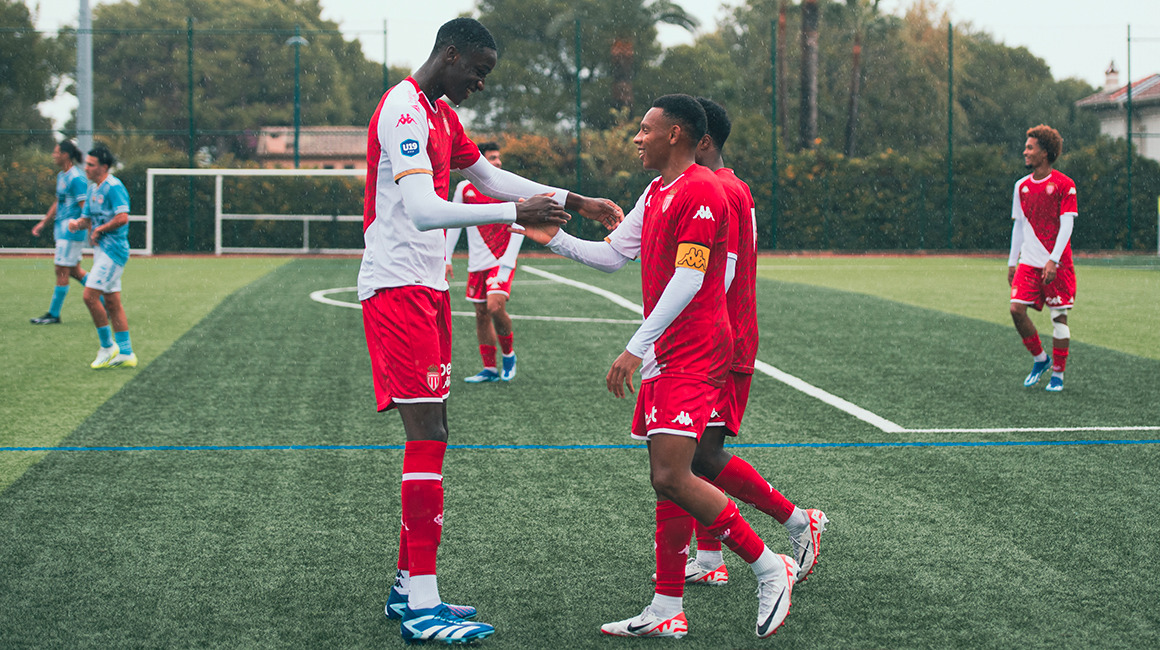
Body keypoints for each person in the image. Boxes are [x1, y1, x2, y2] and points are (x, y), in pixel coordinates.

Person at [359, 17, 621, 645]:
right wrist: (514, 213)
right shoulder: (404, 109)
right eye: (477, 71)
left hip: (425, 288)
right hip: (397, 287)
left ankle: (408, 587)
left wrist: (573, 200)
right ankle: (422, 605)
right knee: (428, 437)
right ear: (450, 55)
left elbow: (490, 177)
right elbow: (423, 211)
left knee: (435, 434)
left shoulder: (441, 115)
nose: (480, 83)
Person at [520, 94, 798, 640]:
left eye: (645, 129)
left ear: (675, 134)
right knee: (669, 478)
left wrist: (636, 345)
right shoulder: (656, 191)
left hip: (695, 349)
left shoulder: (703, 191)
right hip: (668, 349)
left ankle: (770, 568)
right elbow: (611, 256)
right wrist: (557, 241)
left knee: (672, 474)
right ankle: (667, 605)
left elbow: (691, 278)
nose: (636, 138)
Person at [674, 97, 828, 589]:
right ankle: (709, 557)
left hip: (723, 339)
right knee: (691, 453)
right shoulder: (728, 184)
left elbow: (723, 271)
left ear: (702, 141)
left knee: (701, 455)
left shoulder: (721, 189)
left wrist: (694, 327)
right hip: (720, 334)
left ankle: (797, 521)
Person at [445, 142, 524, 383]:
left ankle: (508, 355)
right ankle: (489, 369)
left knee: (495, 307)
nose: (497, 162)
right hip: (476, 262)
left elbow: (521, 223)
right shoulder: (464, 189)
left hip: (500, 260)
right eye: (492, 158)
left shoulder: (508, 187)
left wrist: (508, 262)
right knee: (481, 313)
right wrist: (447, 257)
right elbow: (453, 222)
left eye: (498, 157)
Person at [1008, 124, 1077, 392]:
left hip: (1057, 263)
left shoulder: (1065, 185)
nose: (1025, 152)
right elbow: (1019, 226)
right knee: (1016, 310)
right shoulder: (1021, 186)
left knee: (1059, 318)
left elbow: (1067, 225)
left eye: (1030, 148)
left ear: (1045, 153)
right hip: (1028, 262)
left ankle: (1058, 374)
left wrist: (1053, 260)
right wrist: (1012, 262)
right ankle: (1040, 359)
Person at [68, 144, 137, 369]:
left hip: (113, 251)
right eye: (86, 164)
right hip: (101, 252)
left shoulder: (114, 187)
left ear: (104, 167)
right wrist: (77, 224)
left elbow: (123, 217)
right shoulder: (92, 190)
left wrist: (100, 230)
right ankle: (126, 353)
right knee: (112, 302)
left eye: (91, 164)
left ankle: (107, 347)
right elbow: (87, 219)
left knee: (90, 296)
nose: (86, 168)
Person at [30, 140, 91, 325]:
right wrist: (43, 223)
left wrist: (91, 229)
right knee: (74, 271)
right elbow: (58, 202)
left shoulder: (76, 178)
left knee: (61, 270)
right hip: (62, 230)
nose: (53, 155)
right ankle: (106, 301)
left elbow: (85, 207)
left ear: (65, 155)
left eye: (56, 152)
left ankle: (54, 314)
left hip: (71, 231)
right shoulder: (62, 176)